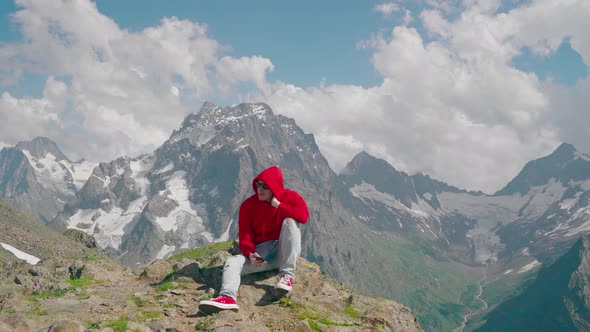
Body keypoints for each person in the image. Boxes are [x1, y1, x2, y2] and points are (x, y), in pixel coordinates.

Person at [198, 165, 309, 313]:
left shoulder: (291, 197)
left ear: (275, 188)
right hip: (262, 255)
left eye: (265, 186)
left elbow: (303, 216)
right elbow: (245, 235)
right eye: (258, 184)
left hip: (284, 251)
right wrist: (250, 253)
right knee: (232, 261)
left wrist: (279, 206)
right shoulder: (248, 206)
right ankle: (227, 297)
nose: (259, 189)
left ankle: (287, 275)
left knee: (290, 222)